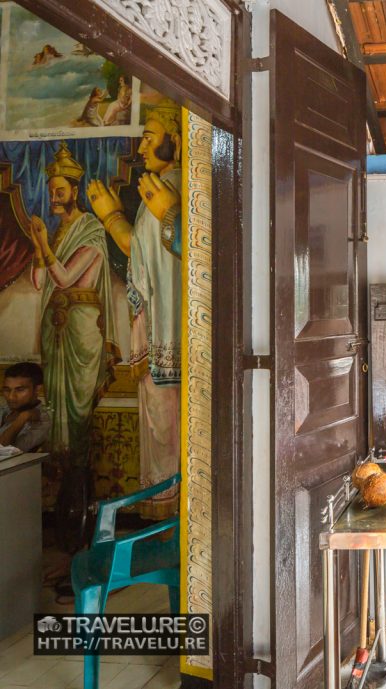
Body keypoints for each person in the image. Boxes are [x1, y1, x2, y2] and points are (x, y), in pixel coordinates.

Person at [87, 99, 183, 520]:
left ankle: (173, 531)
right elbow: (140, 250)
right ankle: (165, 532)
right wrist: (111, 217)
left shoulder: (179, 186)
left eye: (150, 137)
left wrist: (172, 218)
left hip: (174, 335)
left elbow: (196, 250)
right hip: (158, 330)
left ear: (176, 142)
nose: (142, 148)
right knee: (160, 429)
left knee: (170, 431)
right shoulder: (159, 188)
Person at [28, 143, 120, 464]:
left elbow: (66, 279)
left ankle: (79, 483)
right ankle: (62, 484)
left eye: (60, 191)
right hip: (54, 331)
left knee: (78, 413)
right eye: (51, 192)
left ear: (74, 191)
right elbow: (40, 282)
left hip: (81, 331)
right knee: (56, 408)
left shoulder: (91, 228)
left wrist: (42, 243)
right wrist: (40, 246)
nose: (54, 198)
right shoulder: (55, 234)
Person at [1, 363, 52, 452]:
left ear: (37, 389)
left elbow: (3, 450)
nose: (11, 397)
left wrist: (22, 418)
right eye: (7, 390)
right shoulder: (4, 409)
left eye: (20, 390)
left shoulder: (43, 421)